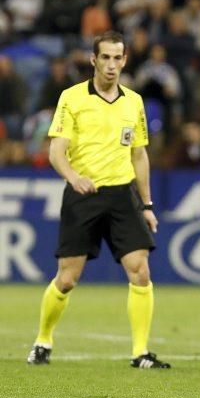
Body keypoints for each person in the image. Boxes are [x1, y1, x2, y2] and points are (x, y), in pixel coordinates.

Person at [27, 31, 169, 369]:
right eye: (104, 57)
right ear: (93, 60)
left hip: (122, 195)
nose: (110, 64)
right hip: (83, 195)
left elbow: (139, 156)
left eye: (116, 58)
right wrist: (74, 177)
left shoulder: (133, 102)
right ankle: (43, 340)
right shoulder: (72, 98)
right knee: (67, 278)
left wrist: (147, 204)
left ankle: (140, 352)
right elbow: (56, 151)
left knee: (140, 272)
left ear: (124, 60)